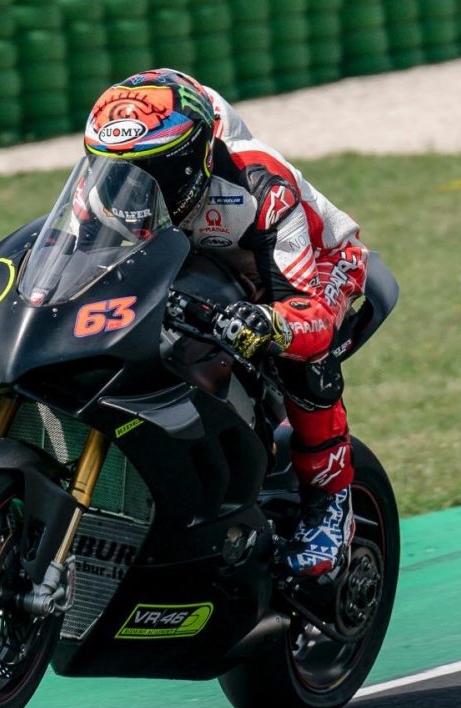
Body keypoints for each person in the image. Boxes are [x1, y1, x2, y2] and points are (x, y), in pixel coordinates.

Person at [82, 68, 368, 583]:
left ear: (194, 158)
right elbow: (67, 267)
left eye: (154, 172)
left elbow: (307, 310)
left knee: (300, 356)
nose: (133, 189)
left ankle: (330, 502)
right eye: (119, 171)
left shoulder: (259, 184)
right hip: (199, 261)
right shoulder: (101, 191)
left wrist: (270, 324)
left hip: (315, 266)